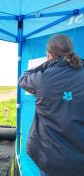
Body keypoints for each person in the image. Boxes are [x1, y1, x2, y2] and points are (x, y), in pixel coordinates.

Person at [19, 34, 84, 176]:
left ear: (49, 54)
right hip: (79, 158)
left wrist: (46, 65)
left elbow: (23, 78)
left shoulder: (42, 77)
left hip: (51, 157)